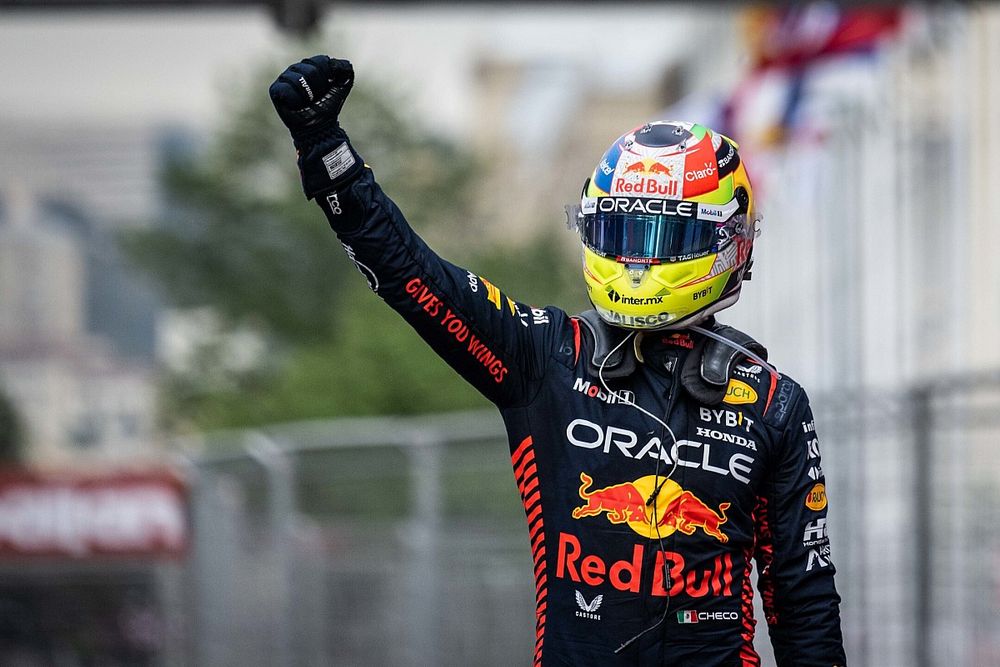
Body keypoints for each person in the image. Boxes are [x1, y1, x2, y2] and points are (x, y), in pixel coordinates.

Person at [269, 55, 847, 667]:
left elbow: (803, 599)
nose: (637, 261)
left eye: (662, 237)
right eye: (622, 234)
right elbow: (412, 273)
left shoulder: (775, 402)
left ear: (728, 241)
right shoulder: (547, 354)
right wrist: (327, 153)